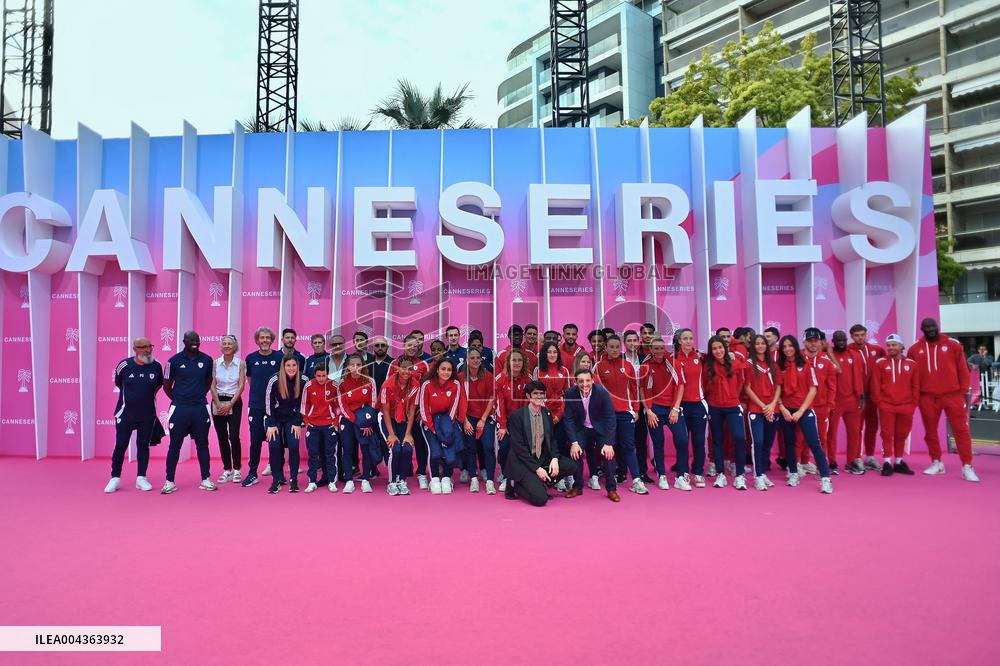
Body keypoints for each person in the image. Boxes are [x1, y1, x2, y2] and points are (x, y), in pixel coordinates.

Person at [908, 318, 978, 481]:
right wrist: (916, 396)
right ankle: (937, 462)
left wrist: (963, 392)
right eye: (927, 327)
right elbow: (913, 376)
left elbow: (962, 369)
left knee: (961, 430)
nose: (930, 329)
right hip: (927, 397)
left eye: (933, 326)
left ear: (937, 327)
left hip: (952, 395)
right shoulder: (914, 349)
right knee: (930, 432)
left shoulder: (953, 344)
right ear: (922, 329)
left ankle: (967, 466)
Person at [504, 381, 577, 506]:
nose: (538, 396)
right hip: (523, 461)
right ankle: (515, 485)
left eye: (541, 394)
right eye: (535, 394)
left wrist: (554, 458)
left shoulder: (547, 413)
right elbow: (519, 448)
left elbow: (552, 439)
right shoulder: (517, 416)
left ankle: (541, 482)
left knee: (571, 466)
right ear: (528, 396)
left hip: (541, 458)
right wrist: (537, 469)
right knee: (540, 499)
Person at [775, 335, 833, 494]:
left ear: (795, 347)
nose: (787, 349)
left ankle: (825, 479)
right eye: (784, 346)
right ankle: (793, 473)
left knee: (815, 443)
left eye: (790, 346)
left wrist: (801, 410)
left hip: (804, 410)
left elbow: (813, 389)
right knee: (790, 444)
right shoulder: (779, 366)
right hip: (786, 411)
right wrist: (783, 408)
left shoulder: (807, 365)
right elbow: (777, 389)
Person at [105, 337, 163, 493]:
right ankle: (115, 478)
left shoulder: (156, 366)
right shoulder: (124, 365)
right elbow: (118, 383)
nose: (148, 350)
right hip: (125, 414)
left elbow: (157, 385)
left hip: (147, 415)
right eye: (144, 347)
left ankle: (141, 478)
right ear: (135, 349)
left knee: (143, 445)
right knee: (120, 445)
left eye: (150, 346)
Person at [162, 330, 215, 494]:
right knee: (174, 446)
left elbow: (208, 382)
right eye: (191, 339)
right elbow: (166, 386)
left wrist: (197, 396)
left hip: (200, 408)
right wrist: (180, 398)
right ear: (184, 341)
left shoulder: (207, 360)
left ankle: (206, 479)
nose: (195, 342)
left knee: (203, 445)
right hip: (180, 408)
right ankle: (169, 481)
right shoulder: (173, 361)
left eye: (197, 339)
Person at [594, 334, 648, 494]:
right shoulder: (598, 366)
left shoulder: (628, 366)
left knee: (629, 446)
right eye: (611, 347)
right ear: (606, 348)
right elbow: (595, 392)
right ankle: (612, 482)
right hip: (607, 415)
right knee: (610, 446)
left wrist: (636, 409)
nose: (615, 350)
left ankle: (637, 480)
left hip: (626, 412)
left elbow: (633, 389)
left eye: (617, 347)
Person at [563, 368, 620, 501]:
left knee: (608, 454)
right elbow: (569, 418)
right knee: (575, 452)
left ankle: (612, 489)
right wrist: (574, 443)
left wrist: (609, 443)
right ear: (576, 382)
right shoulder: (570, 393)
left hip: (600, 428)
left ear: (593, 380)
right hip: (581, 428)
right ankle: (577, 486)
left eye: (588, 380)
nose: (585, 384)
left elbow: (611, 417)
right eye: (581, 381)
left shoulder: (602, 392)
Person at [641, 337, 688, 490]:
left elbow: (680, 385)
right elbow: (642, 389)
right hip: (655, 410)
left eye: (661, 348)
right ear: (651, 349)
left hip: (672, 409)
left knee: (682, 440)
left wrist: (675, 408)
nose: (659, 351)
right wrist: (648, 411)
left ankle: (681, 476)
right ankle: (662, 475)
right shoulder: (646, 366)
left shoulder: (673, 363)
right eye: (655, 348)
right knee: (658, 443)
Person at [703, 335, 749, 490]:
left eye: (720, 347)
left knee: (739, 438)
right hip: (715, 407)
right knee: (717, 440)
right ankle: (720, 474)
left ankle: (740, 475)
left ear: (726, 348)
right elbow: (705, 386)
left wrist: (736, 398)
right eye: (714, 348)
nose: (718, 351)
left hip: (733, 406)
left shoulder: (735, 363)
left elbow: (742, 382)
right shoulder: (708, 367)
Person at [871, 334, 920, 476]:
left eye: (894, 345)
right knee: (887, 434)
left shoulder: (912, 364)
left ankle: (898, 462)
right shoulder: (880, 363)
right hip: (887, 405)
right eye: (889, 345)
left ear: (901, 346)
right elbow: (875, 385)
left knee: (902, 434)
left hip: (906, 406)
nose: (891, 348)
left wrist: (913, 403)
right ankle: (887, 462)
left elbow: (916, 386)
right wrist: (880, 402)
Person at [419, 358, 468, 494]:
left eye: (449, 370)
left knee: (449, 445)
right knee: (434, 450)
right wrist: (434, 429)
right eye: (443, 369)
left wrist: (447, 427)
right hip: (429, 421)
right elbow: (423, 409)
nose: (446, 372)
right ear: (437, 369)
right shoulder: (427, 384)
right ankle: (434, 479)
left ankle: (447, 477)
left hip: (447, 420)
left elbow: (454, 407)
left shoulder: (455, 384)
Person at [389, 334, 432, 487]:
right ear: (404, 345)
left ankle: (421, 473)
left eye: (415, 345)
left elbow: (428, 388)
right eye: (409, 345)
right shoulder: (394, 363)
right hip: (399, 414)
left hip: (417, 412)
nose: (412, 348)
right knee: (401, 443)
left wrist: (423, 410)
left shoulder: (424, 364)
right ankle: (403, 472)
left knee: (420, 442)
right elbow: (389, 387)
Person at [242, 326, 281, 487]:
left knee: (275, 441)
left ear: (272, 340)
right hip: (256, 405)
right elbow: (250, 380)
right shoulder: (250, 358)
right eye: (262, 338)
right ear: (257, 340)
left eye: (267, 338)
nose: (265, 340)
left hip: (275, 406)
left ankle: (277, 475)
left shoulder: (280, 357)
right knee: (255, 440)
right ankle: (252, 473)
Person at [337, 353, 379, 493]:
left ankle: (366, 479)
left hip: (364, 420)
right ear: (347, 367)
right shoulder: (342, 383)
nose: (356, 368)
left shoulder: (370, 381)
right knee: (347, 449)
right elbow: (342, 405)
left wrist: (365, 422)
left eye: (359, 365)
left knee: (365, 448)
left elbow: (372, 404)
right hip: (348, 419)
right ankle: (349, 479)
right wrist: (355, 420)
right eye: (352, 365)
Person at [744, 334, 780, 491]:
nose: (760, 346)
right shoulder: (749, 364)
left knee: (767, 443)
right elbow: (747, 388)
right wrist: (763, 406)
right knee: (757, 442)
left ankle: (763, 472)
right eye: (757, 343)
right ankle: (757, 475)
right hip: (756, 410)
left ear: (767, 346)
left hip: (772, 409)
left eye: (762, 343)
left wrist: (772, 405)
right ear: (753, 346)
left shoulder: (773, 364)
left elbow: (779, 386)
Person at [263, 355, 305, 493]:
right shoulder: (274, 379)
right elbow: (268, 403)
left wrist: (298, 422)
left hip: (293, 419)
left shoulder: (303, 379)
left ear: (298, 366)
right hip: (274, 418)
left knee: (293, 445)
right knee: (274, 446)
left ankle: (294, 480)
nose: (291, 368)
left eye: (294, 365)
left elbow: (303, 404)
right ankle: (277, 479)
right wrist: (271, 424)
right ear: (283, 366)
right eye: (288, 365)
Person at [379, 356, 420, 496]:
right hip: (387, 419)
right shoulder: (387, 384)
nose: (406, 371)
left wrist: (408, 434)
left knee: (407, 448)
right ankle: (391, 482)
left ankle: (402, 481)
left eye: (410, 368)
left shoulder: (415, 385)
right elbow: (385, 410)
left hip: (404, 420)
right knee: (395, 449)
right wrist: (391, 434)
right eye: (403, 368)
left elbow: (412, 410)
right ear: (397, 369)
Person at [533, 341, 572, 487]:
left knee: (561, 445)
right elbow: (535, 394)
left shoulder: (564, 371)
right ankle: (548, 476)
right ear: (544, 353)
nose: (552, 355)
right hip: (543, 414)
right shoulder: (538, 370)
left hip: (560, 415)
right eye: (549, 352)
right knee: (546, 446)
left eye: (555, 352)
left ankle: (561, 476)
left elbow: (567, 395)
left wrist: (559, 415)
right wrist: (548, 415)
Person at [800, 328, 838, 475]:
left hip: (822, 407)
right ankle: (802, 463)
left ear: (820, 342)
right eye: (809, 341)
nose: (813, 344)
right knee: (801, 436)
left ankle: (821, 467)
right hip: (803, 406)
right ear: (804, 341)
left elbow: (832, 385)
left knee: (821, 437)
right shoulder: (798, 358)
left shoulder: (826, 360)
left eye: (815, 341)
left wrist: (830, 405)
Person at [828, 330, 865, 475]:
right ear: (834, 341)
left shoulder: (854, 355)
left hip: (852, 400)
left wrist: (861, 396)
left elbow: (859, 377)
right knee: (832, 433)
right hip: (835, 401)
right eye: (838, 340)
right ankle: (832, 461)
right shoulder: (828, 356)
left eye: (843, 340)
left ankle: (851, 462)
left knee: (854, 433)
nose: (841, 343)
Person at [674, 328, 708, 487]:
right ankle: (683, 472)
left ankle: (698, 472)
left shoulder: (700, 356)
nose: (688, 341)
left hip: (698, 404)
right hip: (681, 406)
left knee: (699, 440)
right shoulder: (673, 358)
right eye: (685, 339)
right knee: (682, 440)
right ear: (679, 341)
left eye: (690, 338)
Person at [459, 348, 496, 494]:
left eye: (477, 358)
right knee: (470, 448)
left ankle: (490, 482)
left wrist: (483, 419)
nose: (475, 360)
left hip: (484, 417)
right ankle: (473, 478)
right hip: (468, 418)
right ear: (467, 360)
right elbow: (459, 400)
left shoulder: (488, 376)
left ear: (481, 360)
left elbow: (491, 399)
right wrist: (465, 421)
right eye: (472, 358)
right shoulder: (461, 377)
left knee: (488, 447)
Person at [849, 323, 886, 471]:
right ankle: (856, 457)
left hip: (873, 396)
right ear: (851, 336)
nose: (860, 338)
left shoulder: (877, 350)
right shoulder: (848, 351)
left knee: (872, 427)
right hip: (857, 397)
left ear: (866, 335)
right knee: (857, 428)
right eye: (856, 335)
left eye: (862, 335)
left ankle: (870, 456)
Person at [210, 335, 246, 484]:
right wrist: (218, 403)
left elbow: (241, 385)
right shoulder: (215, 363)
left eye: (229, 343)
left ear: (234, 346)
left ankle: (237, 469)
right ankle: (227, 470)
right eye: (224, 343)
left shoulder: (240, 364)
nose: (226, 346)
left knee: (234, 436)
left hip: (234, 401)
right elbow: (212, 384)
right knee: (222, 437)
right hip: (218, 400)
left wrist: (230, 404)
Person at [495, 348, 532, 492]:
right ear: (508, 362)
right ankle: (505, 475)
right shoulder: (499, 379)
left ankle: (518, 476)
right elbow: (499, 404)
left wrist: (521, 425)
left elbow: (526, 403)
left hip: (521, 419)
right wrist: (503, 426)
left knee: (518, 448)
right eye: (513, 360)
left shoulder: (528, 379)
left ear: (523, 362)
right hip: (504, 418)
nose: (517, 363)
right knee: (504, 446)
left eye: (519, 360)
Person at [301, 362, 339, 493]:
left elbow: (338, 405)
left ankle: (331, 481)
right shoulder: (309, 385)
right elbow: (304, 404)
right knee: (313, 455)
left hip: (329, 425)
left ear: (328, 374)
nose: (321, 378)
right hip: (313, 425)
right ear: (314, 375)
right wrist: (306, 420)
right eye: (318, 376)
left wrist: (335, 421)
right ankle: (312, 482)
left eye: (324, 375)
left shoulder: (334, 385)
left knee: (330, 455)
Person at [623, 329, 653, 483]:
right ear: (624, 342)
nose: (632, 344)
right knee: (623, 440)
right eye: (629, 341)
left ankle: (642, 472)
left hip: (643, 403)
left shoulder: (645, 359)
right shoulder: (619, 359)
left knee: (641, 439)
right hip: (625, 403)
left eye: (635, 340)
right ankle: (621, 471)